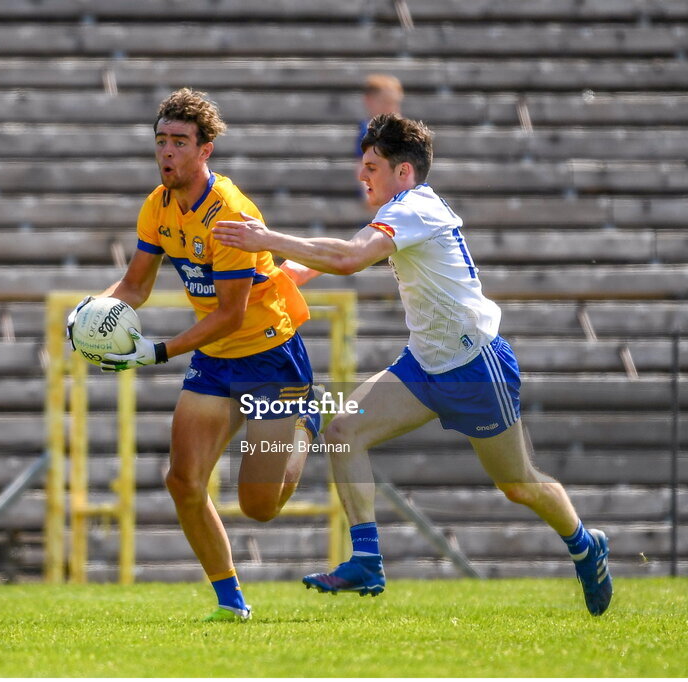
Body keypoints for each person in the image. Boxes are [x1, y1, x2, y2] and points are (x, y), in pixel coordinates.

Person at [212, 113, 613, 616]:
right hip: (423, 366)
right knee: (343, 431)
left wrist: (265, 238)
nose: (363, 176)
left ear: (404, 171)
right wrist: (272, 279)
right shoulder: (400, 209)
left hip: (474, 366)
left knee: (517, 483)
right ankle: (367, 559)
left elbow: (348, 259)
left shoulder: (415, 206)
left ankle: (584, 545)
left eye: (372, 166)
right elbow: (325, 257)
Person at [67, 88, 321, 622]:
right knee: (182, 481)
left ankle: (302, 430)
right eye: (161, 141)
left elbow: (229, 314)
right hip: (215, 360)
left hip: (269, 357)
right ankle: (231, 603)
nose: (167, 152)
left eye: (179, 142)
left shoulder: (228, 214)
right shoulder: (158, 207)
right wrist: (93, 311)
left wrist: (157, 351)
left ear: (205, 151)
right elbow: (135, 286)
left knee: (260, 506)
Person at [356, 74, 404, 157]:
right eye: (386, 102)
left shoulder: (403, 132)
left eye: (396, 103)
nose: (392, 109)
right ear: (368, 100)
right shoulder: (366, 133)